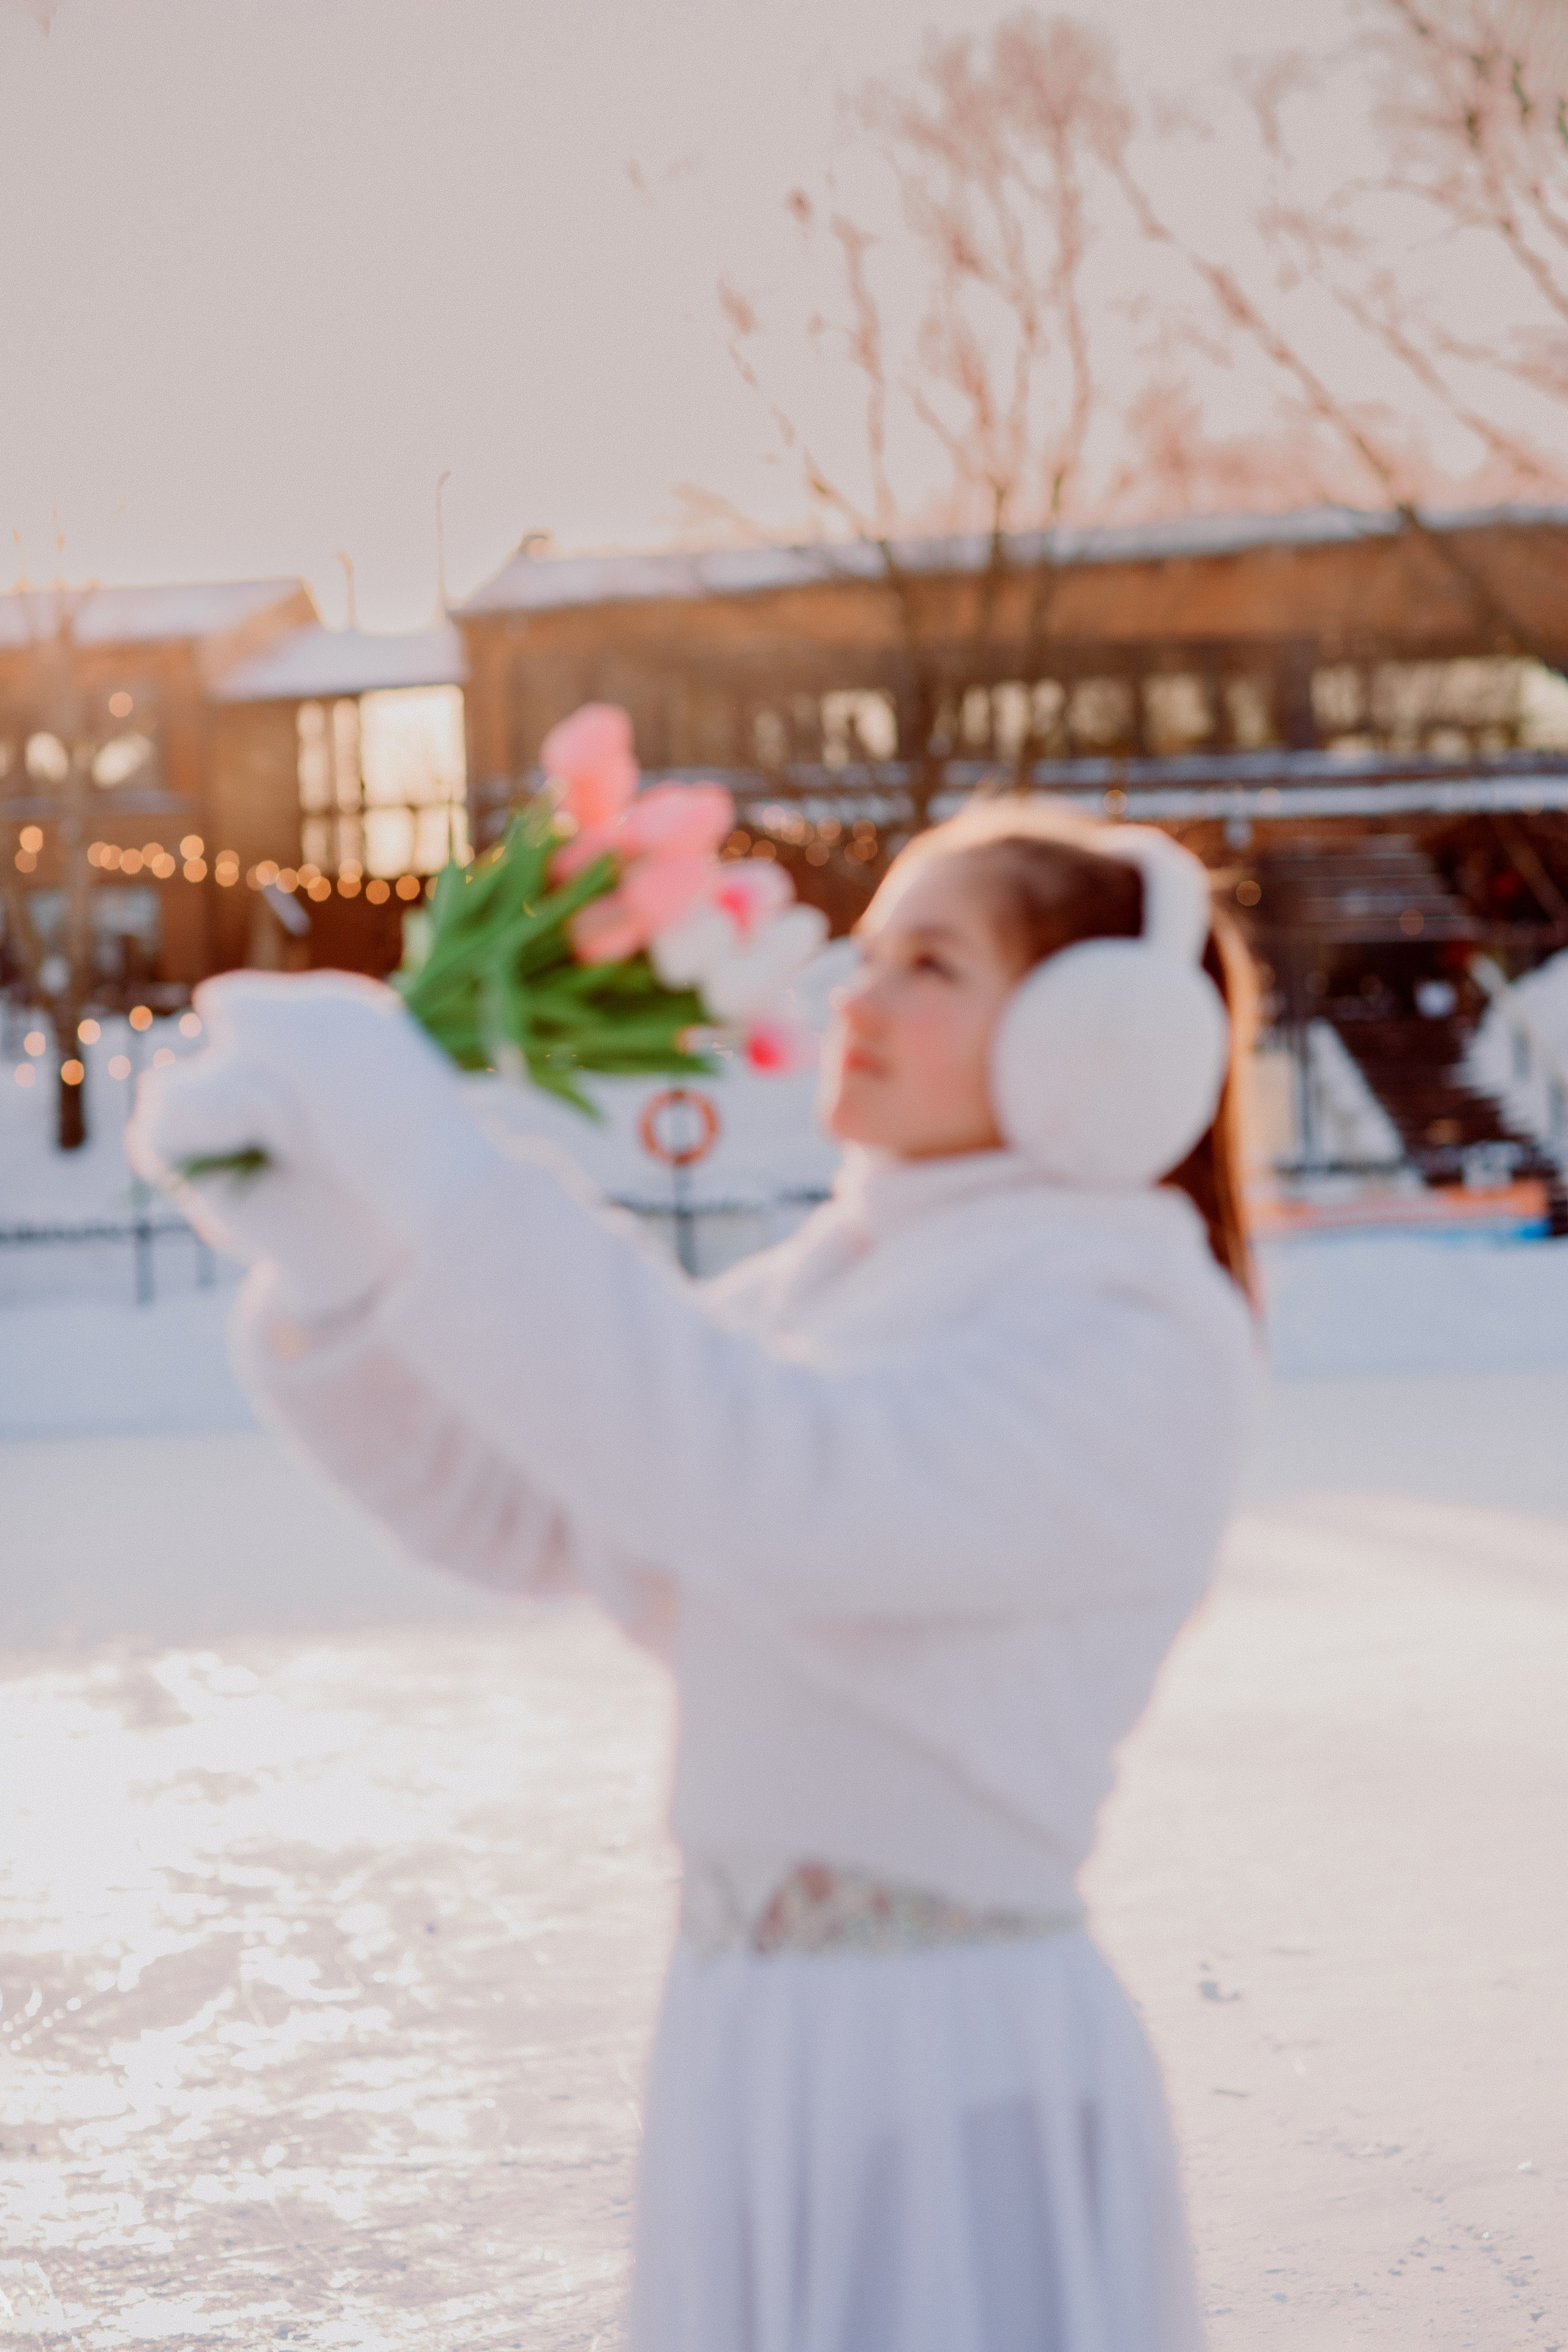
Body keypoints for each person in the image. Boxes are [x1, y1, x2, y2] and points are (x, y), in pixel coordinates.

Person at [130, 799, 1257, 2352]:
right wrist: (340, 1269)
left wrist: (440, 1172)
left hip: (949, 2062)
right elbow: (544, 1509)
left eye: (929, 965)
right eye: (867, 954)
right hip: (749, 2043)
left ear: (1097, 1044)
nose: (858, 997)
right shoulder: (836, 1287)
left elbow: (766, 1479)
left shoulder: (1131, 1324)